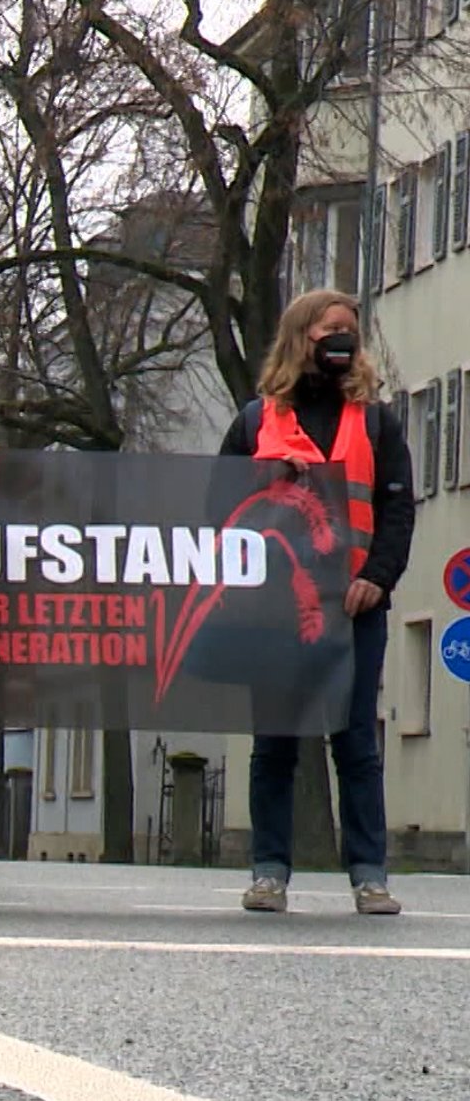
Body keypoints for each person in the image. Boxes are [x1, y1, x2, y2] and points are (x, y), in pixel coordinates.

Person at [216, 288, 412, 916]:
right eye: (331, 329)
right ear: (301, 337)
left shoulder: (377, 421)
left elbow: (396, 509)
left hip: (355, 606)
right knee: (274, 741)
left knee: (355, 741)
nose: (343, 342)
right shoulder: (255, 423)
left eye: (350, 331)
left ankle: (369, 873)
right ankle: (269, 870)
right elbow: (216, 507)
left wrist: (378, 579)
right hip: (278, 611)